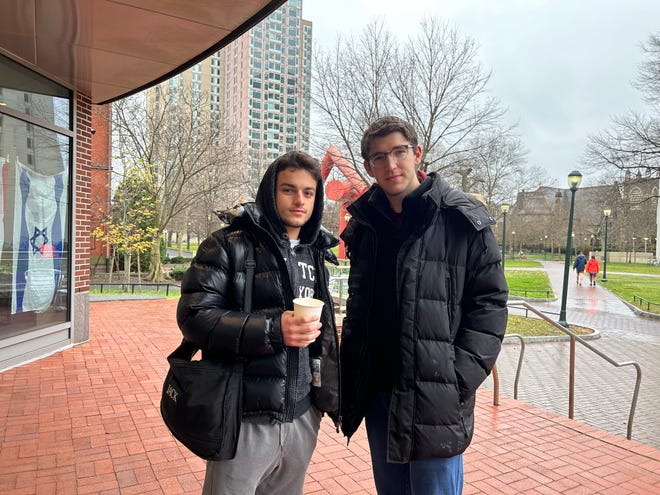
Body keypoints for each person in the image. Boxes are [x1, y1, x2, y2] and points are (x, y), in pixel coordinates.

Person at [339, 116, 509, 495]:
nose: (391, 165)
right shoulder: (365, 224)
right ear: (368, 167)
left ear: (416, 154)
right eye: (379, 157)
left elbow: (491, 304)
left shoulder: (461, 218)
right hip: (379, 392)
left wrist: (458, 378)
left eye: (399, 152)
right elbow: (358, 306)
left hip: (436, 394)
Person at [176, 151, 340, 495]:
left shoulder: (315, 252)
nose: (299, 200)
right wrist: (273, 329)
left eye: (308, 193)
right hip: (243, 416)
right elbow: (193, 317)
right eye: (288, 190)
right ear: (270, 191)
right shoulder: (227, 244)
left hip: (302, 414)